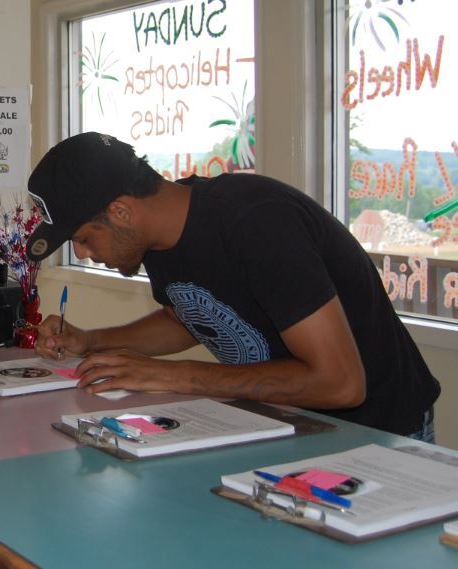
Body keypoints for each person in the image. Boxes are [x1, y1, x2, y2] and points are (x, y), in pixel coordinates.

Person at [26, 132, 439, 440]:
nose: (81, 253)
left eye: (83, 238)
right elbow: (188, 317)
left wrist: (176, 376)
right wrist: (91, 341)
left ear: (121, 211)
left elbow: (341, 383)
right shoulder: (158, 240)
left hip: (378, 430)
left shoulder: (256, 223)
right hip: (292, 421)